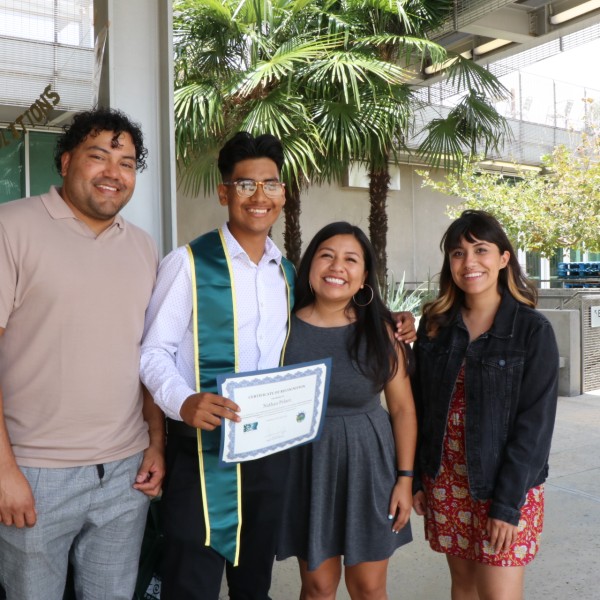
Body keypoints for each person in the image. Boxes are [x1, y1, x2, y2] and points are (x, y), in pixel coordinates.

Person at [139, 132, 416, 600]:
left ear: (283, 194)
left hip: (271, 458)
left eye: (270, 185)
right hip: (203, 452)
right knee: (192, 583)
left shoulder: (286, 274)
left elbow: (337, 312)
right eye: (246, 185)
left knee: (254, 585)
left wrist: (389, 318)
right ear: (225, 192)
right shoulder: (187, 264)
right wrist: (182, 401)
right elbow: (152, 352)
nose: (259, 197)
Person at [0, 108, 165, 600]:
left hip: (124, 472)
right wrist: (3, 471)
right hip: (33, 471)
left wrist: (155, 441)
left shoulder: (142, 247)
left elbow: (147, 354)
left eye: (128, 163)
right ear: (67, 160)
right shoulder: (12, 227)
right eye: (99, 157)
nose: (113, 173)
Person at [411, 210, 559, 600]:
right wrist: (417, 477)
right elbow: (419, 408)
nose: (470, 262)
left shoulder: (532, 330)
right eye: (458, 253)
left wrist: (507, 506)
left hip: (505, 486)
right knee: (463, 587)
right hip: (447, 483)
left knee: (499, 594)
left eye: (481, 250)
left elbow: (535, 427)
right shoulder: (435, 326)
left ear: (504, 258)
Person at [276, 222, 417, 600]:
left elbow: (403, 409)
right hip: (306, 467)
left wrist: (405, 479)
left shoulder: (383, 331)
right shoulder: (282, 326)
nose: (337, 266)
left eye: (350, 259)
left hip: (369, 466)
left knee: (368, 588)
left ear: (364, 277)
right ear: (309, 265)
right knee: (318, 587)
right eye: (327, 255)